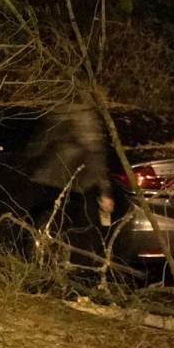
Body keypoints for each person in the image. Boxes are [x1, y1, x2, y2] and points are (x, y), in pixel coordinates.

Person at [23, 100, 115, 251]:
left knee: (51, 221)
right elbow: (95, 155)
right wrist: (105, 191)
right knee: (75, 227)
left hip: (51, 179)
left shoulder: (58, 113)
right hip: (77, 182)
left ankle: (46, 256)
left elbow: (38, 147)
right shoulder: (84, 117)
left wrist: (32, 167)